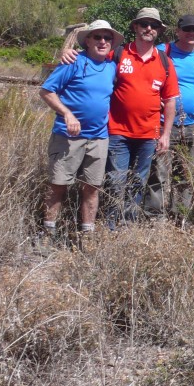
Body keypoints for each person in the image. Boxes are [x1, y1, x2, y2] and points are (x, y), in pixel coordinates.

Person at [38, 20, 120, 247]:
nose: (102, 41)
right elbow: (46, 91)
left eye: (107, 37)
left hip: (99, 137)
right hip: (68, 136)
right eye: (97, 37)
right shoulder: (73, 62)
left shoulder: (111, 66)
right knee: (58, 185)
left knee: (92, 188)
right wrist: (67, 114)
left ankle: (87, 238)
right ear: (88, 41)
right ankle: (47, 236)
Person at [147, 14, 194, 221]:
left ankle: (180, 216)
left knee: (186, 174)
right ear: (178, 31)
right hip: (165, 125)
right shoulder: (164, 51)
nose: (191, 33)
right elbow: (147, 77)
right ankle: (156, 218)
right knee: (159, 173)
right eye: (187, 29)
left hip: (192, 124)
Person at [107, 8, 180, 224]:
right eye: (144, 24)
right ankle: (110, 227)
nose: (149, 28)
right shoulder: (119, 53)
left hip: (148, 135)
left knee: (138, 182)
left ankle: (128, 225)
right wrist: (71, 55)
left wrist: (165, 134)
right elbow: (93, 60)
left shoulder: (165, 62)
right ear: (135, 27)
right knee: (115, 181)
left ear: (158, 31)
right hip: (117, 132)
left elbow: (169, 101)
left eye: (154, 25)